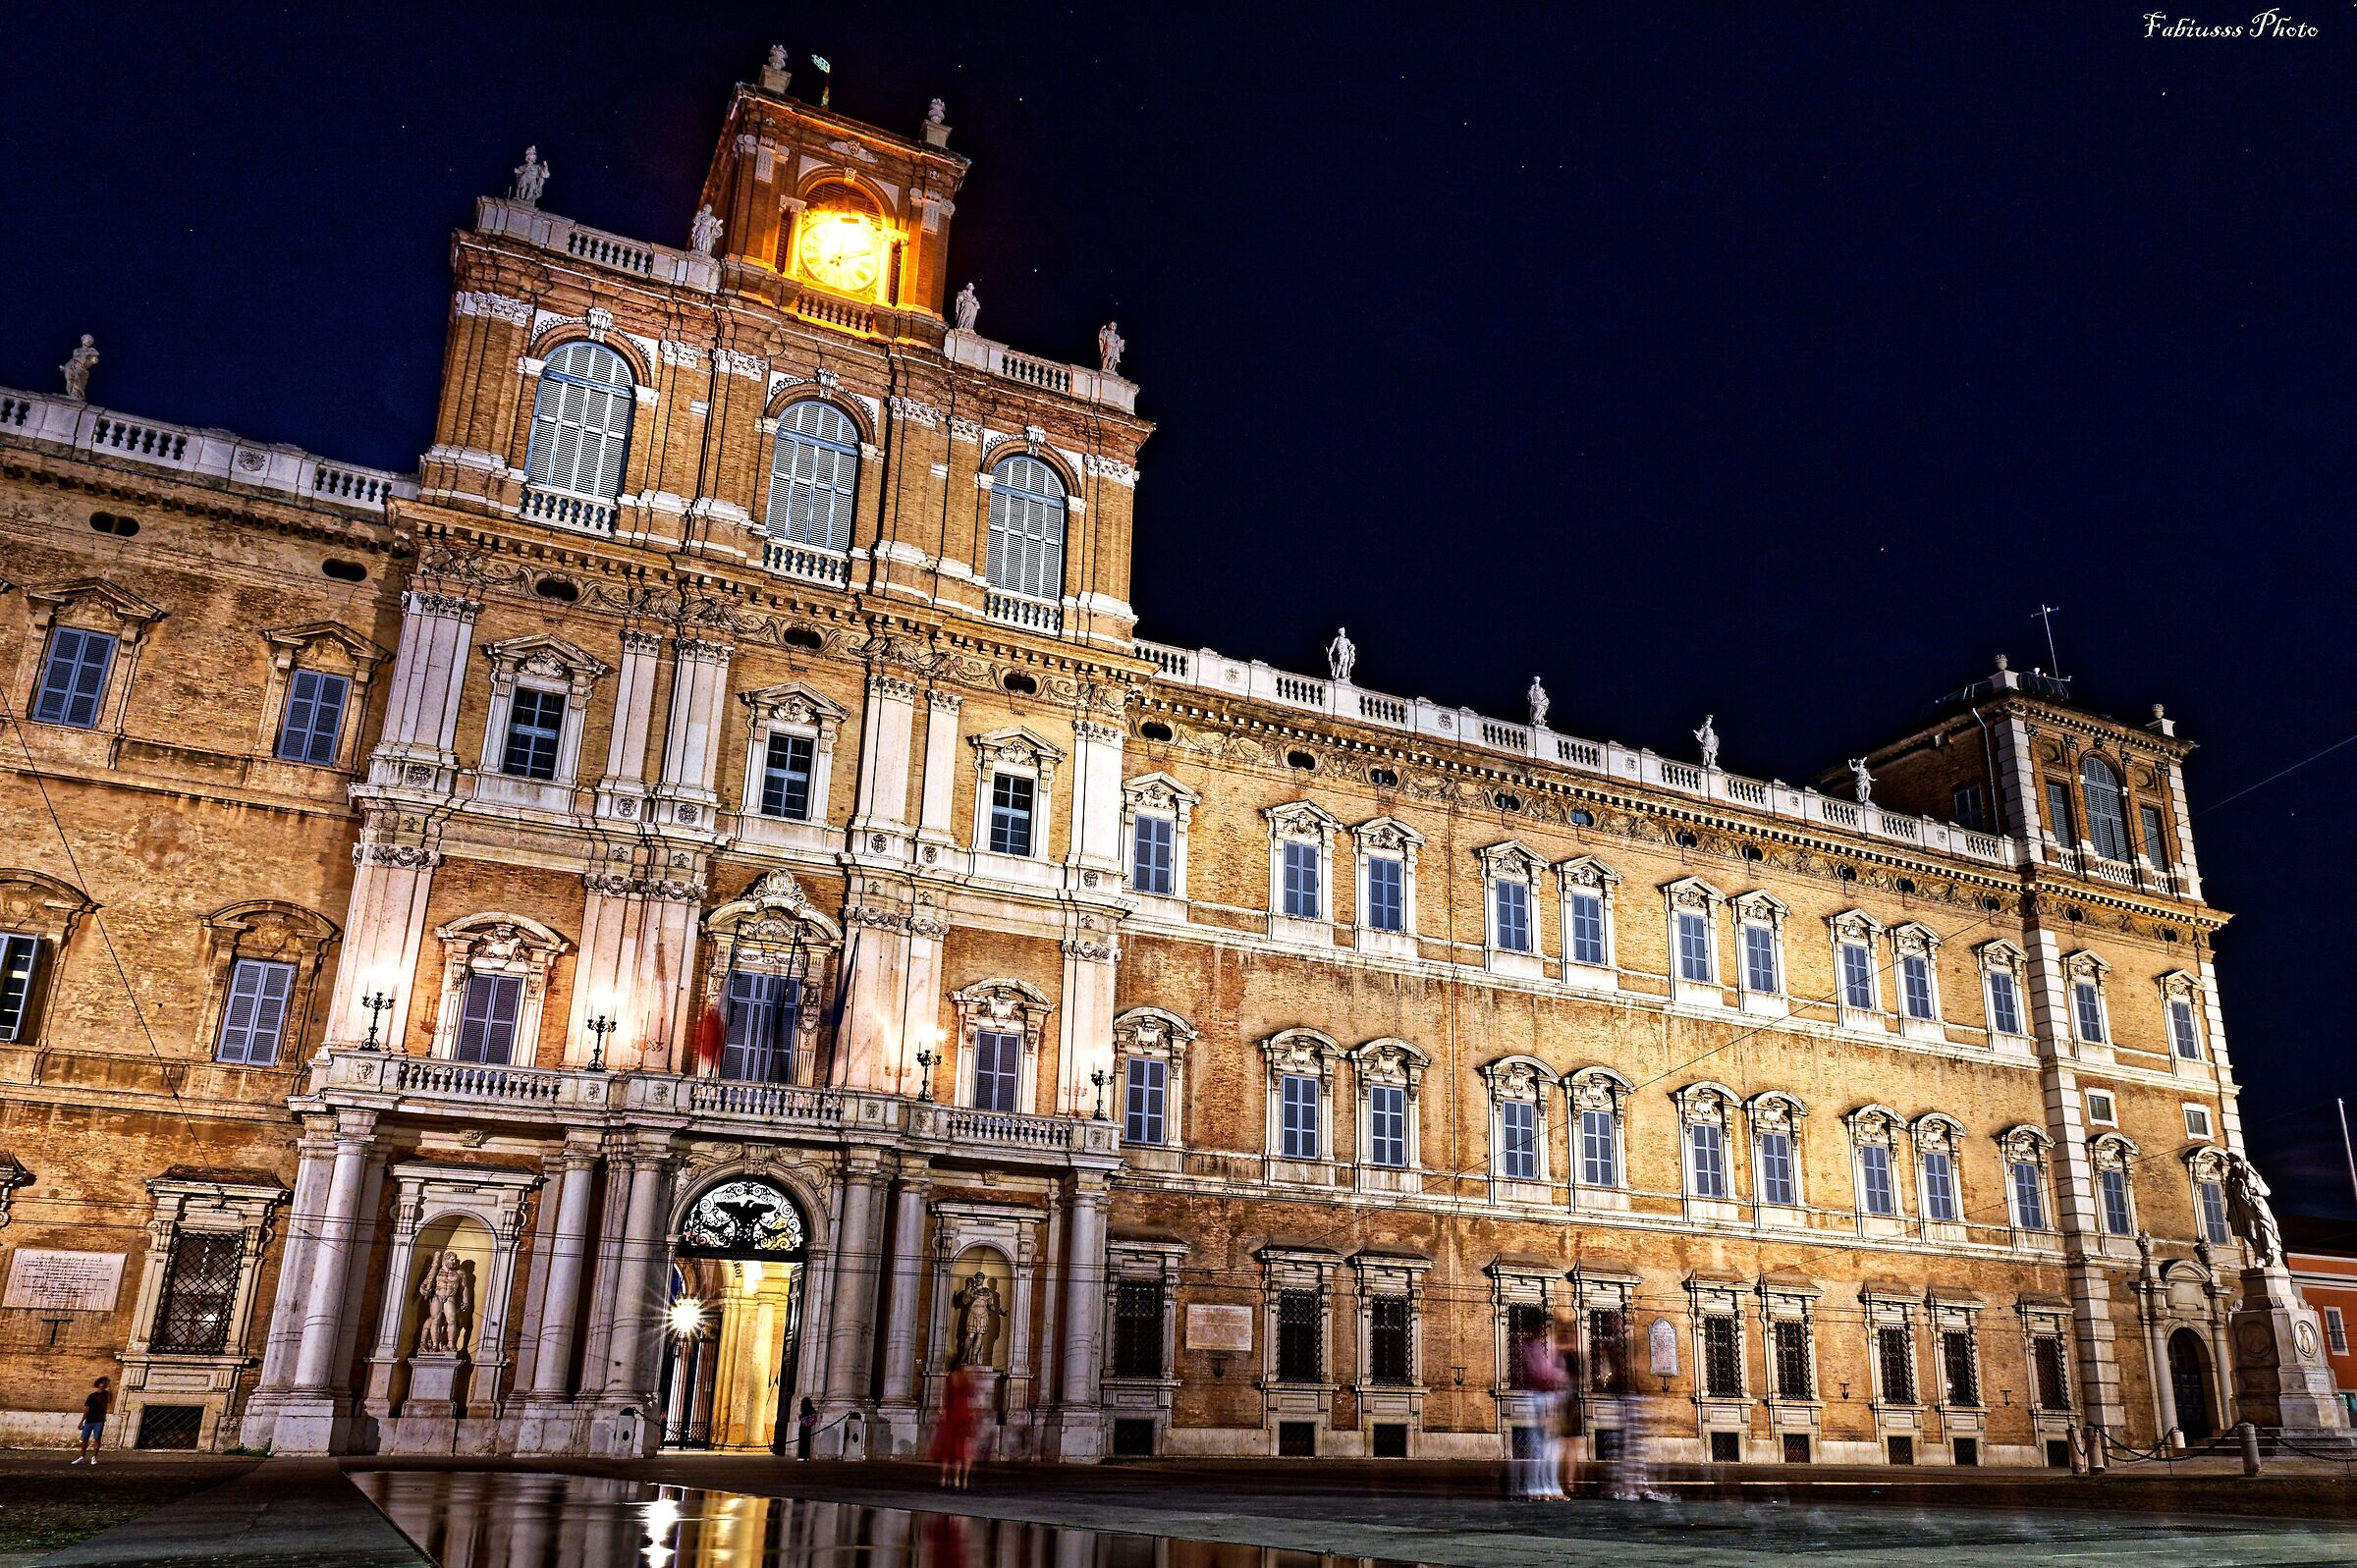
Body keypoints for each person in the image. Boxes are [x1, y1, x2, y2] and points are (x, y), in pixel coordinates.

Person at [1513, 1329, 1566, 1499]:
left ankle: (1548, 1485)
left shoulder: (1550, 1350)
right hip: (1541, 1397)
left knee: (1551, 1447)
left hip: (1550, 1397)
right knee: (1541, 1446)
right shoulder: (1536, 1349)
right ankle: (1535, 1486)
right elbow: (1541, 1375)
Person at [931, 1366, 981, 1488]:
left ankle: (944, 1478)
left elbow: (946, 1398)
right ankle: (960, 1479)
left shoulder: (951, 1378)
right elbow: (972, 1393)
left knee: (948, 1451)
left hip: (951, 1417)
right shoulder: (965, 1379)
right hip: (963, 1417)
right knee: (963, 1452)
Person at [73, 1377, 109, 1463]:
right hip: (89, 1420)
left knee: (97, 1438)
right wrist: (82, 1421)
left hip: (99, 1420)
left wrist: (109, 1385)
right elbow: (86, 1408)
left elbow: (110, 1399)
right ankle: (82, 1457)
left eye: (104, 1383)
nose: (103, 1384)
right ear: (98, 1385)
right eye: (101, 1383)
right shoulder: (92, 1396)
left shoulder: (106, 1394)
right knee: (84, 1438)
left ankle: (94, 1457)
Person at [795, 1396, 818, 1460]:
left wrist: (800, 1417)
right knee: (807, 1442)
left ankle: (802, 1456)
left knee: (802, 1442)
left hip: (803, 1428)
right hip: (808, 1428)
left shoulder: (804, 1411)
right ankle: (806, 1456)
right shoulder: (812, 1410)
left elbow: (802, 1419)